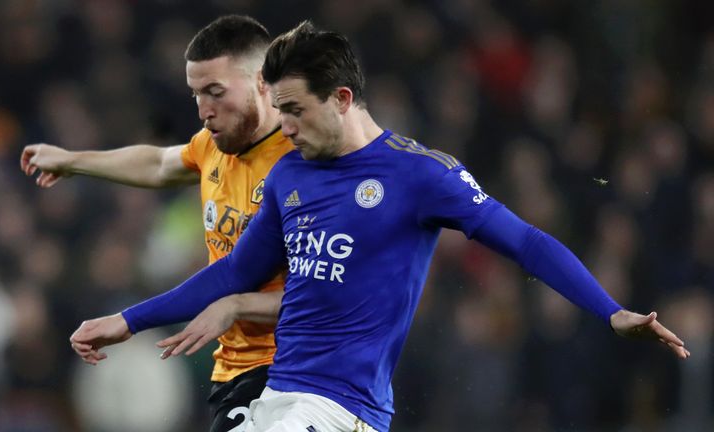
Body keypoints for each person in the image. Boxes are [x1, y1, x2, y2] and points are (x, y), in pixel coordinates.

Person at [70, 22, 690, 432]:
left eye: (294, 110)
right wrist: (127, 321)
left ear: (341, 99)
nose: (283, 127)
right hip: (277, 398)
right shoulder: (292, 179)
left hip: (343, 410)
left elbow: (524, 241)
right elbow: (233, 272)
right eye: (278, 110)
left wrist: (610, 311)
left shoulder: (420, 175)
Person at [20, 15, 294, 432]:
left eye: (216, 92)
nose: (203, 111)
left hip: (294, 367)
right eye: (196, 94)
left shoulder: (302, 163)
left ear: (261, 80)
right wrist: (74, 161)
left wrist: (131, 320)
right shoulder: (215, 146)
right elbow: (161, 162)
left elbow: (322, 292)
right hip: (232, 369)